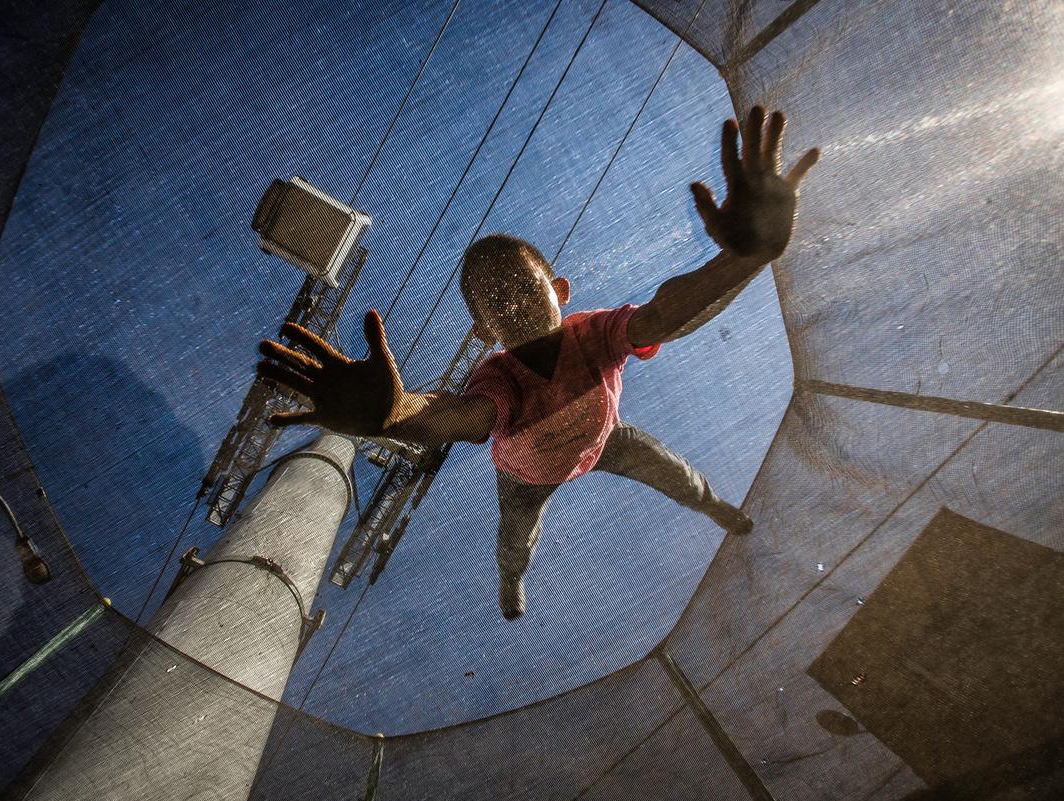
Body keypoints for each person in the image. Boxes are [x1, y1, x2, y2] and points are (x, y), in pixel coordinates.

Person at [257, 106, 819, 619]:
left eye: (525, 290)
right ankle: (511, 579)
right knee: (516, 535)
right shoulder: (499, 377)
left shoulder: (594, 333)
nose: (515, 306)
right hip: (525, 473)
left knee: (672, 471)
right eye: (496, 303)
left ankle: (712, 505)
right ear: (484, 331)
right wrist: (395, 413)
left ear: (560, 291)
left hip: (604, 440)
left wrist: (740, 260)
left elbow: (662, 316)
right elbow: (462, 416)